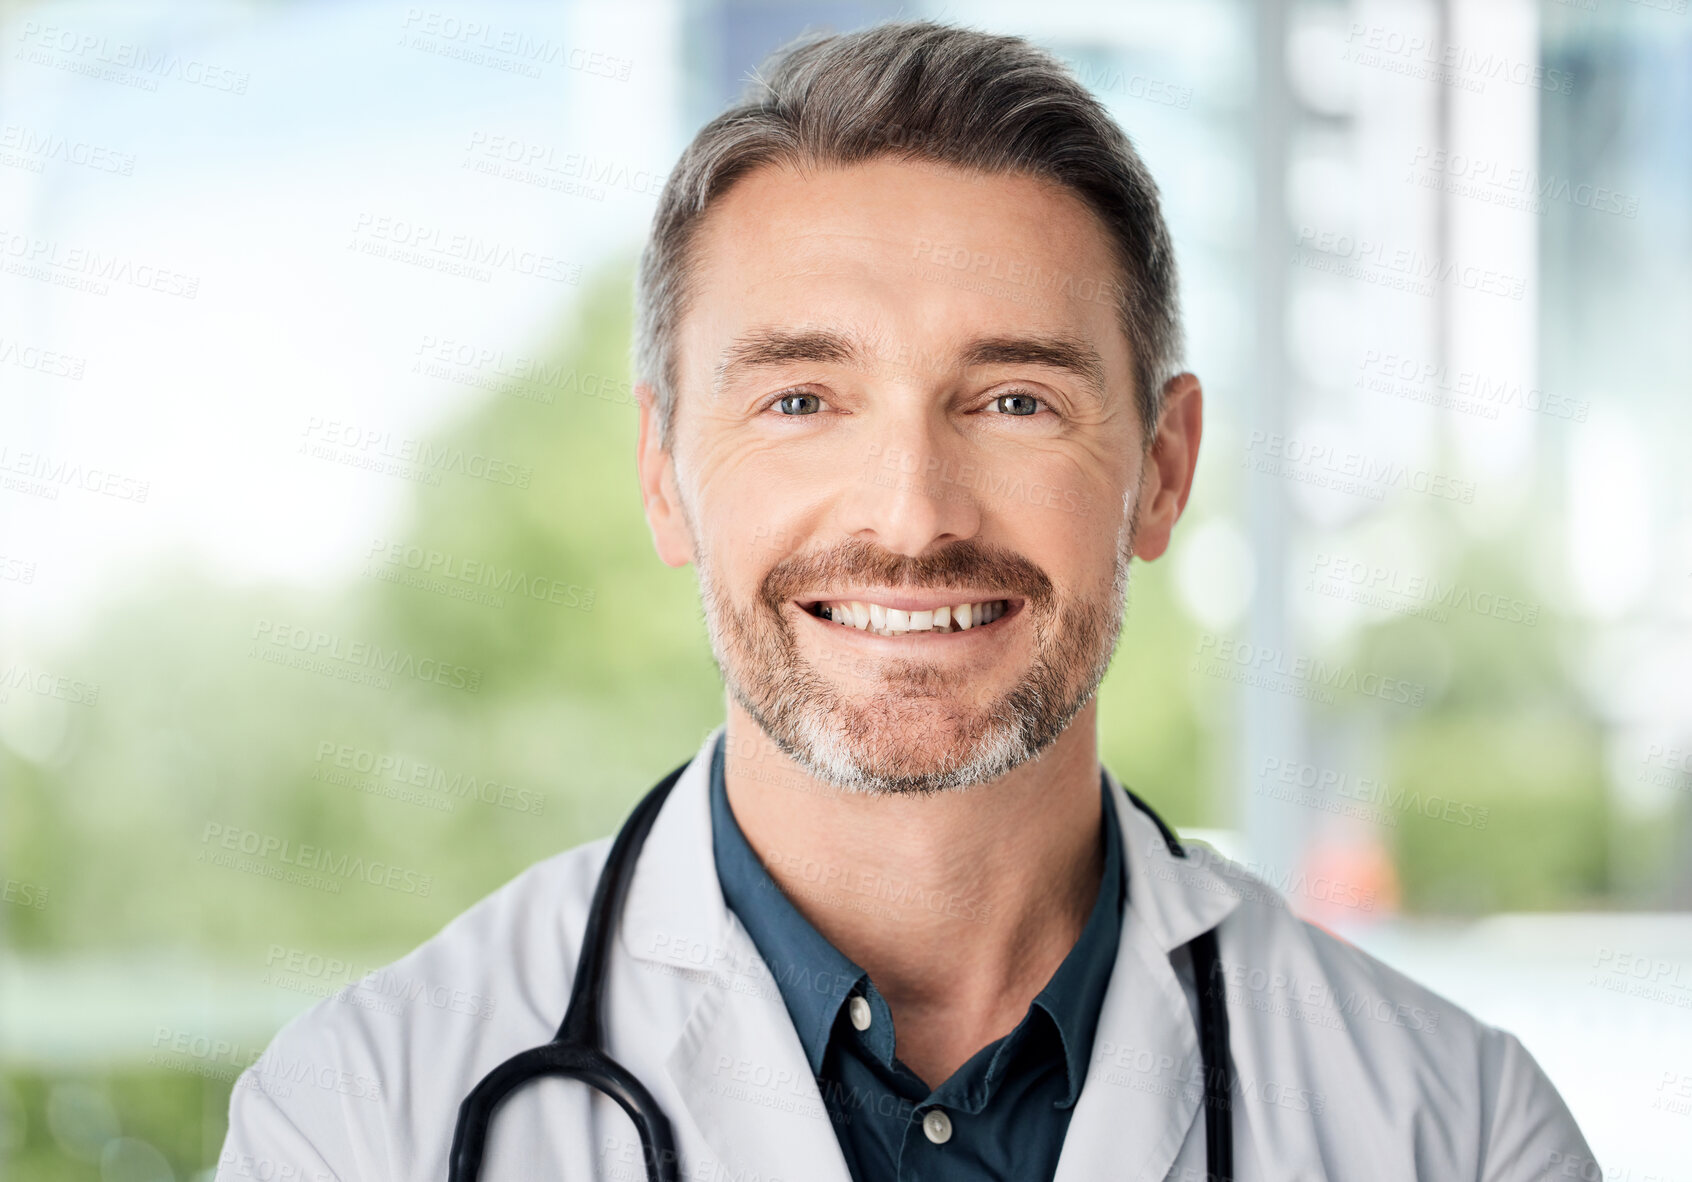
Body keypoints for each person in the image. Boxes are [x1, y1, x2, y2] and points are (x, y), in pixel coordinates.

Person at [216, 19, 1598, 1181]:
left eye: (1013, 399)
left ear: (1164, 470)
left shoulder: (1454, 1128)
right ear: (662, 473)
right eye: (802, 399)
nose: (912, 512)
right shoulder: (365, 1118)